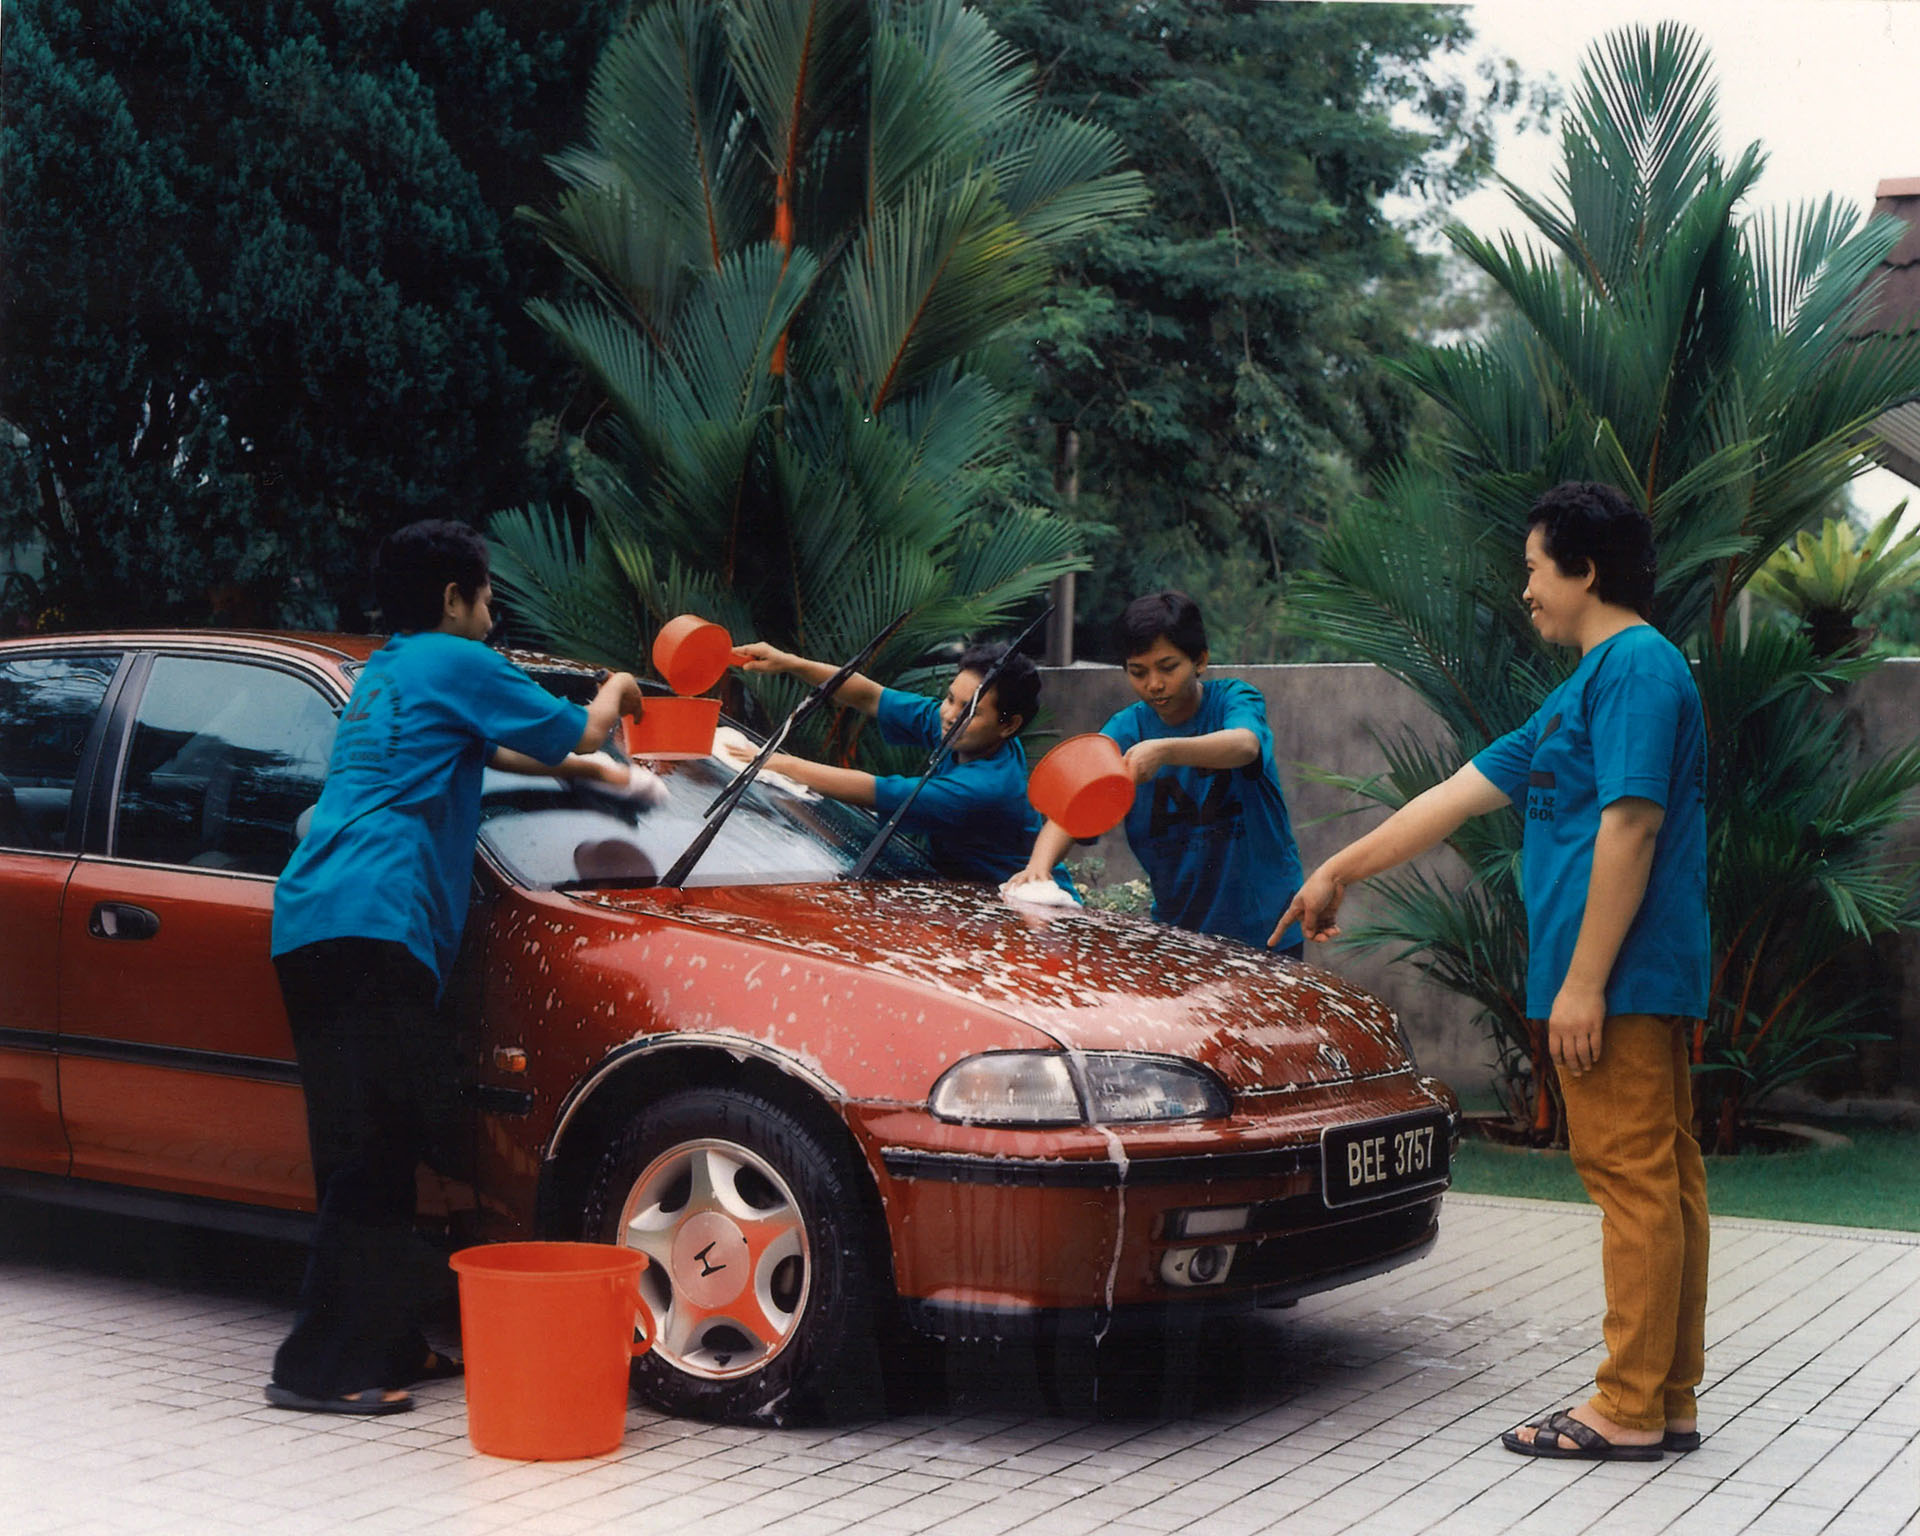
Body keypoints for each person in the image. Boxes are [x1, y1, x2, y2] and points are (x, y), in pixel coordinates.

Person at [1272, 481, 1709, 1462]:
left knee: (1634, 1182)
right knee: (1658, 1179)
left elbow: (1633, 824)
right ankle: (1664, 1397)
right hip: (1615, 975)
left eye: (1534, 568)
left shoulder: (1637, 668)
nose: (1526, 590)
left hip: (1623, 975)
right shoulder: (1582, 689)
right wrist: (1339, 869)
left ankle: (1629, 1405)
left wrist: (1585, 983)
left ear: (1583, 570)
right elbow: (1455, 796)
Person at [266, 519, 644, 1415]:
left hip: (314, 919)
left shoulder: (391, 672)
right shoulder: (457, 660)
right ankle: (320, 1370)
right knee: (374, 1155)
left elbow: (488, 748)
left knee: (369, 1147)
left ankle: (391, 1340)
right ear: (453, 598)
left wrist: (595, 773)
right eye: (486, 598)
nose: (491, 614)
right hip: (375, 923)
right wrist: (618, 689)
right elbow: (583, 726)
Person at [1007, 591, 1304, 953]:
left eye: (1167, 667)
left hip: (1266, 929)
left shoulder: (1234, 699)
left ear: (1200, 660)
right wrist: (1038, 867)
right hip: (1179, 932)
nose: (1154, 684)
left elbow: (1245, 745)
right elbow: (1075, 801)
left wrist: (1164, 751)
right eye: (1138, 672)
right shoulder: (1125, 729)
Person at [728, 639, 1074, 892]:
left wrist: (777, 763)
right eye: (949, 698)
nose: (949, 714)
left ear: (1009, 725)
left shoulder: (985, 789)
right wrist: (790, 662)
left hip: (1030, 905)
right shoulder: (965, 731)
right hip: (974, 895)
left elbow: (872, 790)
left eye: (969, 710)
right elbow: (870, 696)